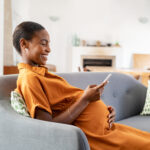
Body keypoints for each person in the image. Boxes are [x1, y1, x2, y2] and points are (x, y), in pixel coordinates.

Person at [13, 21, 150, 150]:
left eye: (49, 44)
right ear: (24, 44)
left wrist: (105, 112)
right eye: (43, 44)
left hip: (108, 128)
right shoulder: (29, 78)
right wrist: (85, 99)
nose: (49, 49)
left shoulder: (42, 73)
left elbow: (66, 103)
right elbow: (47, 127)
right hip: (98, 137)